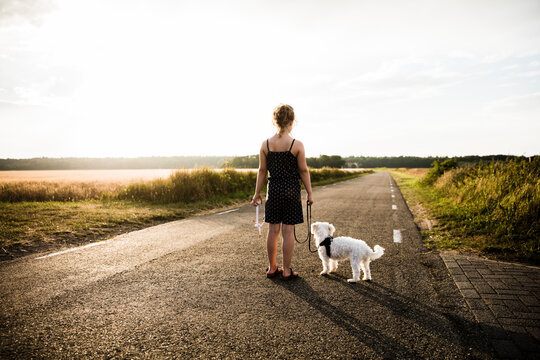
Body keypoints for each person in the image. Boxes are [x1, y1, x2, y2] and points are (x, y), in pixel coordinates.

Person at [252, 104, 314, 280]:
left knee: (273, 230)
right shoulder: (296, 144)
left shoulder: (265, 144)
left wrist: (257, 193)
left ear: (274, 121)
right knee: (288, 231)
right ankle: (286, 270)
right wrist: (309, 193)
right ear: (292, 122)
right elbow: (303, 171)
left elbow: (262, 171)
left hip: (274, 189)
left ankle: (272, 268)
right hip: (291, 190)